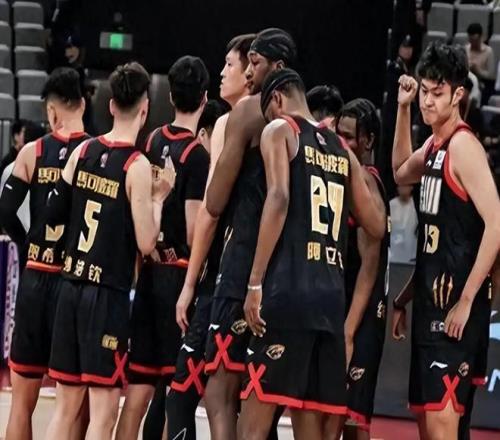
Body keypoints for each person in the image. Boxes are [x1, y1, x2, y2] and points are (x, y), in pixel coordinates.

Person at [237, 68, 386, 440]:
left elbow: (278, 198)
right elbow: (376, 224)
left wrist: (254, 282)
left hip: (288, 291)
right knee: (311, 426)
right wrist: (350, 164)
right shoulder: (340, 147)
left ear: (277, 100)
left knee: (252, 427)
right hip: (330, 302)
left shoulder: (280, 130)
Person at [43, 62, 174, 440]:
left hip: (70, 288)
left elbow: (53, 214)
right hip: (106, 297)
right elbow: (147, 243)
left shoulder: (82, 150)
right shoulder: (137, 165)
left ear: (112, 105)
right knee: (102, 415)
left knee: (65, 410)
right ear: (145, 109)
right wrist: (158, 199)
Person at [391, 42, 500, 440]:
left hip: (454, 311)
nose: (427, 101)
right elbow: (400, 172)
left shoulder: (463, 146)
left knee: (442, 428)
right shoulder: (434, 145)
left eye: (437, 93)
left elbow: (497, 223)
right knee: (431, 426)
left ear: (457, 95)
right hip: (429, 305)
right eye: (424, 91)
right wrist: (402, 109)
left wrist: (467, 300)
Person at [194, 28, 297, 439]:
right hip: (288, 273)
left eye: (255, 63)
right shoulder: (311, 126)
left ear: (278, 67)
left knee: (220, 390)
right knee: (261, 402)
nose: (249, 72)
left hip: (242, 267)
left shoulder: (249, 112)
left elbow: (214, 201)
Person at [115, 56, 210, 440]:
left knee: (137, 392)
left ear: (169, 96)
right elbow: (193, 229)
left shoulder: (152, 139)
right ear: (205, 98)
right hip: (176, 278)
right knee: (175, 392)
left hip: (148, 272)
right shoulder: (197, 155)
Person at [166, 33, 254, 440]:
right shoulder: (280, 126)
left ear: (251, 70)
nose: (222, 72)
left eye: (230, 64)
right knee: (248, 406)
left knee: (195, 396)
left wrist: (189, 283)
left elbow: (209, 212)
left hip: (224, 278)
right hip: (257, 279)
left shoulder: (228, 124)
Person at [0, 68, 88, 440]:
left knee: (22, 403)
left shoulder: (32, 152)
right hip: (75, 281)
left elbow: (5, 211)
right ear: (83, 104)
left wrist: (26, 244)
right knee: (75, 407)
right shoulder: (96, 153)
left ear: (51, 111)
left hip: (37, 276)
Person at [336, 98, 390, 439]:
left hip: (362, 317)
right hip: (352, 311)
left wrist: (348, 333)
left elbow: (368, 270)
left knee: (352, 423)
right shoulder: (354, 179)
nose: (341, 143)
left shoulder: (367, 184)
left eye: (348, 136)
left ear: (368, 141)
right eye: (338, 134)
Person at [389, 184, 418, 264]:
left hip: (411, 250)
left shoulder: (416, 205)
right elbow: (388, 226)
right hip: (393, 251)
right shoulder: (391, 204)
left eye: (405, 186)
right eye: (400, 186)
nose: (402, 188)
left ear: (411, 187)